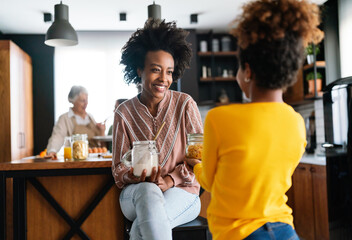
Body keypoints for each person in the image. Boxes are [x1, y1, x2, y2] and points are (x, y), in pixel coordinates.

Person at [185, 0, 324, 239]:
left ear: (247, 71)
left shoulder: (220, 118)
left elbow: (210, 181)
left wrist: (194, 165)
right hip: (285, 230)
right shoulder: (296, 122)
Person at [112, 19, 203, 240]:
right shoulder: (123, 113)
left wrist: (170, 180)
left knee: (141, 229)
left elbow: (199, 158)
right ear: (139, 70)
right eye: (155, 70)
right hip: (135, 195)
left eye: (169, 72)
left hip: (183, 191)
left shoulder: (185, 105)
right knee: (148, 191)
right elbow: (117, 170)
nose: (164, 78)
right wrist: (138, 177)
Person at [46, 85, 105, 158]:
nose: (86, 103)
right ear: (73, 101)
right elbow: (58, 136)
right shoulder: (65, 118)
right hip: (77, 158)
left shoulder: (90, 117)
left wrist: (102, 130)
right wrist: (52, 151)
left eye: (87, 100)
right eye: (82, 101)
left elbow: (100, 141)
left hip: (95, 158)